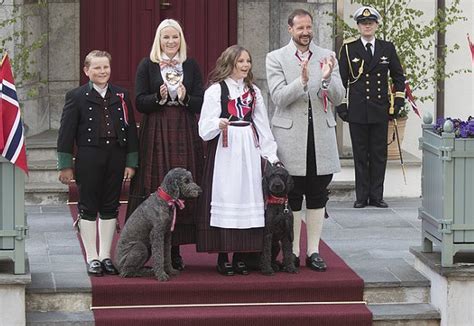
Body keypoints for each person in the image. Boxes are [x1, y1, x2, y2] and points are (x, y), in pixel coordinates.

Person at [266, 9, 345, 272]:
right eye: (300, 28)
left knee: (318, 193)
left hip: (320, 135)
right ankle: (294, 251)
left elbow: (338, 96)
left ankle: (313, 251)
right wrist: (301, 82)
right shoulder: (276, 58)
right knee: (294, 194)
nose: (305, 33)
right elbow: (278, 97)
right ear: (290, 29)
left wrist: (325, 80)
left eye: (309, 27)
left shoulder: (327, 56)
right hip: (291, 137)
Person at [126, 19, 204, 271]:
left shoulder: (190, 65)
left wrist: (186, 97)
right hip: (157, 128)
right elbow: (139, 102)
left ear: (181, 39)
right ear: (158, 40)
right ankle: (151, 246)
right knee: (156, 182)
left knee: (182, 183)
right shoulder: (147, 65)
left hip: (183, 126)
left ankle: (176, 248)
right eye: (166, 37)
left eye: (175, 37)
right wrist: (157, 98)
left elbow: (201, 102)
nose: (171, 42)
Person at [196, 45, 279, 276]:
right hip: (226, 149)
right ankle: (223, 256)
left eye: (248, 61)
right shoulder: (215, 91)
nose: (245, 66)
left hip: (248, 149)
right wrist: (217, 123)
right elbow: (203, 128)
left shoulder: (254, 92)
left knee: (247, 195)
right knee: (226, 194)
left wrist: (270, 154)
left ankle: (242, 255)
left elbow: (262, 124)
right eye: (240, 61)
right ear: (229, 63)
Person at [57, 50, 139, 276]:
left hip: (116, 156)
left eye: (106, 67)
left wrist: (131, 161)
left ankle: (105, 255)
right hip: (89, 156)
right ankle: (92, 256)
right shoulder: (76, 96)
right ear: (86, 71)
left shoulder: (121, 95)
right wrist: (65, 164)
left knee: (111, 205)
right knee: (88, 205)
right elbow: (66, 132)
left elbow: (131, 129)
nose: (103, 72)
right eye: (97, 68)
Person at [336, 6, 406, 209]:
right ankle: (361, 197)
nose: (367, 26)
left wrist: (399, 100)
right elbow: (341, 79)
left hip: (380, 109)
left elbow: (398, 76)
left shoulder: (387, 48)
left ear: (376, 25)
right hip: (357, 110)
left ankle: (376, 196)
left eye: (371, 23)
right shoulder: (349, 49)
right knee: (360, 154)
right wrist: (341, 105)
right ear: (358, 26)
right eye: (363, 23)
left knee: (378, 155)